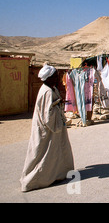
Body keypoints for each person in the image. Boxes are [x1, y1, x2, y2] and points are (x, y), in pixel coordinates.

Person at [20, 64, 74, 192]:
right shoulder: (47, 92)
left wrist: (58, 104)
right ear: (48, 78)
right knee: (42, 153)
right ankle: (34, 180)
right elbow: (47, 115)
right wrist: (56, 107)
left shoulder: (51, 89)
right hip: (48, 129)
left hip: (54, 127)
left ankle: (57, 174)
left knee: (55, 152)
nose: (57, 78)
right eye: (55, 76)